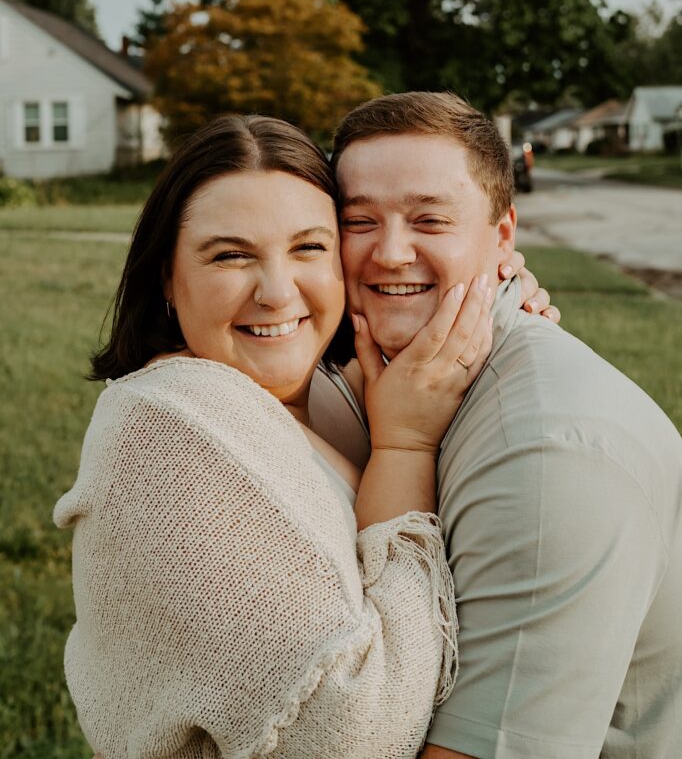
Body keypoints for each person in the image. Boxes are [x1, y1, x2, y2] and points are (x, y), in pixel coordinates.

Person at [55, 114, 549, 759]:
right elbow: (351, 735)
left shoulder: (311, 396)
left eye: (309, 248)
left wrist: (492, 295)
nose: (277, 291)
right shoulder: (166, 430)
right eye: (230, 255)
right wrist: (405, 445)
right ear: (167, 281)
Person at [330, 90, 682, 759]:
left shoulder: (550, 459)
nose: (391, 253)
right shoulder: (368, 369)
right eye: (359, 221)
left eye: (430, 219)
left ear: (502, 237)